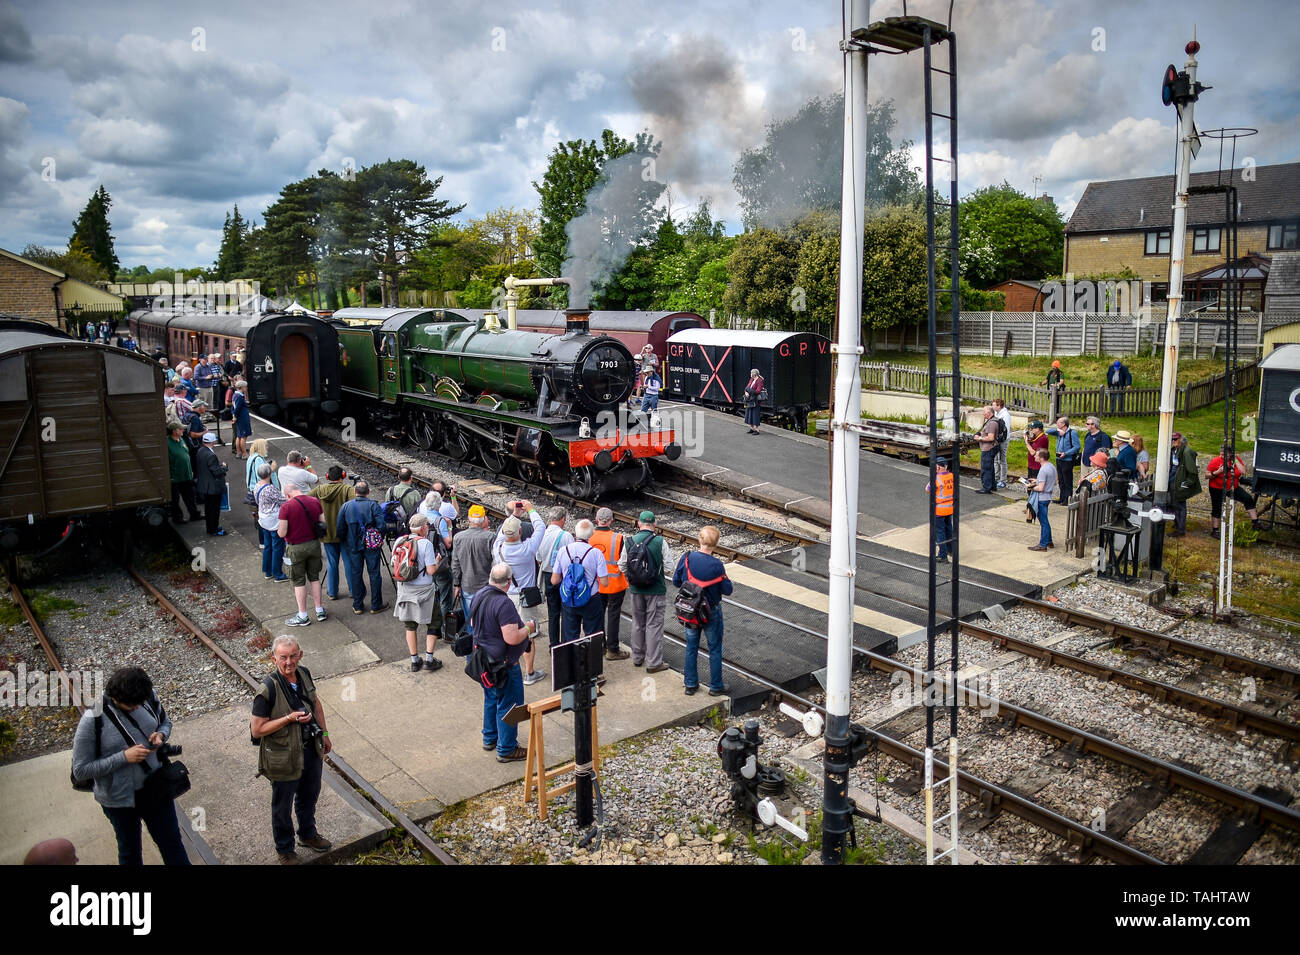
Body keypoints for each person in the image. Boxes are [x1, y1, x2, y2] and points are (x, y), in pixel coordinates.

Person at [71, 667, 190, 866]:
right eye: (130, 705)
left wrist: (161, 734)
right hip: (119, 800)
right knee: (130, 852)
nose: (136, 708)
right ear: (113, 696)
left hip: (155, 788)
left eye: (139, 704)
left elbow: (165, 722)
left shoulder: (147, 696)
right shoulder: (92, 721)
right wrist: (124, 757)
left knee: (172, 844)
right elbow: (81, 770)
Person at [250, 635, 332, 865]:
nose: (289, 662)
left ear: (300, 655)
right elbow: (257, 730)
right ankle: (285, 850)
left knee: (309, 795)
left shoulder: (304, 673)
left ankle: (308, 834)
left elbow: (316, 703)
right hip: (283, 756)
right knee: (282, 805)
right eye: (283, 657)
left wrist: (325, 734)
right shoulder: (267, 689)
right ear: (273, 658)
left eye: (293, 656)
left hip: (310, 749)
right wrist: (288, 718)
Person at [472, 564, 537, 763]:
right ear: (509, 582)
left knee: (491, 698)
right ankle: (507, 748)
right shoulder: (504, 604)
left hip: (483, 660)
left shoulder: (479, 595)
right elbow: (512, 638)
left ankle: (490, 737)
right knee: (510, 705)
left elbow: (474, 624)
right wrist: (528, 628)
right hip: (504, 665)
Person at [672, 526, 733, 697]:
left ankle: (690, 685)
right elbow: (727, 590)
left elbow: (677, 582)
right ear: (716, 544)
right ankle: (715, 686)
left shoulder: (687, 558)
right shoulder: (717, 565)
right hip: (710, 612)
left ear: (700, 540)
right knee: (714, 648)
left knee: (691, 647)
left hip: (690, 611)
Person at [492, 504, 546, 683]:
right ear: (521, 532)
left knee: (506, 632)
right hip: (524, 598)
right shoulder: (527, 549)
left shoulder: (498, 547)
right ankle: (529, 673)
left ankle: (508, 665)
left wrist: (514, 515)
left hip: (505, 595)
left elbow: (503, 531)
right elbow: (540, 527)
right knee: (527, 634)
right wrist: (530, 509)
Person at [393, 512, 444, 672]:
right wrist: (436, 562)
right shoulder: (426, 544)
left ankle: (415, 661)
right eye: (427, 526)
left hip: (405, 588)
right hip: (424, 591)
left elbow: (395, 563)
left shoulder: (399, 541)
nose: (428, 528)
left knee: (410, 625)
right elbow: (430, 571)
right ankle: (429, 659)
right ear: (423, 528)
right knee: (434, 622)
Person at [551, 519, 608, 643]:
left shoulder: (563, 551)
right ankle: (591, 660)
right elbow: (604, 582)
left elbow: (554, 580)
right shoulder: (596, 553)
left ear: (575, 533)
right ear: (591, 534)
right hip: (591, 599)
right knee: (593, 637)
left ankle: (571, 660)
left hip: (569, 599)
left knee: (570, 636)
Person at [279, 484, 327, 627]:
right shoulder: (314, 501)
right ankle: (319, 610)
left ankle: (303, 615)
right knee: (314, 577)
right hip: (314, 545)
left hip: (296, 548)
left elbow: (282, 533)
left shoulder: (286, 508)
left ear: (288, 495)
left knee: (298, 581)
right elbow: (322, 522)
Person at [338, 480, 386, 614]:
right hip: (371, 545)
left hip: (353, 545)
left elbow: (340, 528)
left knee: (356, 573)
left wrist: (345, 541)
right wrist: (379, 538)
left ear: (355, 492)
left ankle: (358, 605)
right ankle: (376, 604)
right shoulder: (373, 506)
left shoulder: (346, 506)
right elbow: (382, 526)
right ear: (368, 492)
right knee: (375, 573)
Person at [308, 466, 355, 602]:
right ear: (343, 476)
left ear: (328, 477)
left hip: (327, 534)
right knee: (348, 563)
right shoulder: (346, 489)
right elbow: (355, 502)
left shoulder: (320, 490)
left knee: (332, 563)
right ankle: (353, 590)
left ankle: (332, 592)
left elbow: (306, 498)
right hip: (344, 534)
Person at [589, 507, 631, 661]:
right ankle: (613, 649)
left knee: (598, 615)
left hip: (596, 584)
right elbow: (623, 561)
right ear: (612, 520)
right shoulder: (618, 538)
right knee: (613, 616)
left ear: (596, 519)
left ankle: (600, 646)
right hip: (615, 584)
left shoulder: (589, 537)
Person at [452, 505, 495, 634]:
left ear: (469, 519)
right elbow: (495, 562)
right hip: (486, 587)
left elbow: (455, 564)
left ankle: (472, 653)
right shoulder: (490, 537)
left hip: (467, 586)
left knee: (470, 622)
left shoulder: (458, 538)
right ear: (483, 520)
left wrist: (457, 584)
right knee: (487, 622)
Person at [537, 506, 573, 647]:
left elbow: (538, 558)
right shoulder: (566, 536)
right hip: (563, 577)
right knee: (566, 611)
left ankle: (553, 644)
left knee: (553, 613)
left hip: (547, 576)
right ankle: (565, 643)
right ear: (563, 519)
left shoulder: (541, 535)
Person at [1207, 444, 1261, 537]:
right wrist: (1218, 471)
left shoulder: (1235, 460)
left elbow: (1243, 472)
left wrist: (1235, 460)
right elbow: (1207, 475)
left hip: (1232, 487)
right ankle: (1215, 530)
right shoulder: (1215, 461)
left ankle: (1255, 522)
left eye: (1225, 455)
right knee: (1217, 508)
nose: (1223, 456)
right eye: (1221, 454)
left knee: (1247, 498)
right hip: (1217, 487)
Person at [420, 491, 456, 619]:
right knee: (445, 595)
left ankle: (433, 623)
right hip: (439, 562)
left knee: (431, 592)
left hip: (424, 560)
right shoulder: (440, 520)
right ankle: (445, 628)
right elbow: (448, 543)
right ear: (439, 505)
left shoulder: (421, 516)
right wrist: (450, 527)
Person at [254, 464, 289, 581]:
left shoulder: (257, 486)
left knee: (268, 546)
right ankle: (278, 573)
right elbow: (282, 501)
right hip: (273, 521)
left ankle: (268, 571)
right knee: (278, 546)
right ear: (269, 474)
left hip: (263, 519)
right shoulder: (270, 489)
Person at [194, 432, 228, 537]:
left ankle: (210, 528)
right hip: (213, 487)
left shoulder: (200, 451)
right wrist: (224, 467)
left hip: (204, 485)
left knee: (208, 508)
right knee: (214, 509)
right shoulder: (211, 455)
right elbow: (216, 471)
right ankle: (214, 529)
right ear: (213, 442)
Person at [1169, 431, 1199, 537]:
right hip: (1173, 478)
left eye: (1175, 439)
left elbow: (1193, 471)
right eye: (1171, 439)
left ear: (1181, 440)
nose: (1173, 441)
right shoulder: (1173, 450)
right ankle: (1177, 524)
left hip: (1180, 481)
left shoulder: (1187, 452)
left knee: (1180, 505)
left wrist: (1186, 484)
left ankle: (1180, 530)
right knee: (1173, 503)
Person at [1044, 416, 1081, 505]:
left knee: (1067, 480)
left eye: (1059, 422)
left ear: (1064, 424)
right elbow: (1047, 431)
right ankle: (1061, 497)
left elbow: (1077, 446)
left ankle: (1067, 499)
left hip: (1067, 459)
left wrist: (1066, 453)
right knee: (1061, 479)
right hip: (1059, 459)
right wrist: (1058, 431)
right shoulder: (1059, 432)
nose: (1057, 423)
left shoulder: (1072, 433)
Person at [1026, 449, 1057, 552]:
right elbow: (1054, 481)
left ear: (1041, 458)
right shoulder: (1051, 466)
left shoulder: (1043, 470)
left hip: (1042, 498)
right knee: (1045, 521)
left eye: (1037, 455)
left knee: (1043, 522)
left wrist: (1030, 487)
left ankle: (1043, 545)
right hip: (1047, 497)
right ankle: (1049, 541)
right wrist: (1037, 481)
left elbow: (1040, 488)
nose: (1035, 456)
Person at [168, 423, 199, 523]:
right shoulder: (167, 443)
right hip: (175, 477)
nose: (183, 430)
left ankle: (194, 514)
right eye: (181, 429)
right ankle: (177, 518)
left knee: (190, 496)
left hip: (186, 475)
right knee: (175, 500)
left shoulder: (181, 439)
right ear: (174, 431)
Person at [927, 458, 955, 562]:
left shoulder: (936, 479)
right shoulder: (952, 476)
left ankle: (942, 555)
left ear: (938, 467)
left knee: (940, 532)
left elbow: (927, 489)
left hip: (939, 510)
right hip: (950, 508)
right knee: (949, 529)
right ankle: (951, 550)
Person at [975, 405, 999, 494]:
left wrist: (979, 438)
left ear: (989, 413)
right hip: (989, 448)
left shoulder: (992, 423)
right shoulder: (991, 421)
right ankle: (992, 485)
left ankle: (986, 488)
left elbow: (991, 437)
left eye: (984, 413)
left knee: (986, 468)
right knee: (990, 468)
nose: (983, 414)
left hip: (988, 448)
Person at [992, 398, 1012, 489]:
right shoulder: (996, 413)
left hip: (1003, 440)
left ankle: (1003, 480)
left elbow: (1005, 430)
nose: (992, 406)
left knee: (1002, 460)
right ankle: (996, 478)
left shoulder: (1005, 415)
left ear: (999, 406)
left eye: (994, 405)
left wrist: (1000, 440)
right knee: (996, 459)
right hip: (996, 439)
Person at [231, 379, 252, 459]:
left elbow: (233, 408)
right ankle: (244, 454)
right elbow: (237, 409)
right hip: (242, 418)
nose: (246, 388)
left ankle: (239, 452)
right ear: (241, 387)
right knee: (243, 436)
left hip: (238, 418)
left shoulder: (235, 395)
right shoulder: (240, 397)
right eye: (245, 387)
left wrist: (234, 416)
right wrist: (235, 416)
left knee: (239, 436)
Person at [742, 368, 764, 434]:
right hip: (749, 399)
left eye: (751, 373)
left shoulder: (759, 381)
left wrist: (749, 391)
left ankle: (757, 430)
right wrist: (746, 392)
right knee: (749, 414)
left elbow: (758, 391)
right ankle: (752, 428)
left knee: (755, 415)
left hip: (755, 400)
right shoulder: (751, 379)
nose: (750, 374)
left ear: (754, 374)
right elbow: (747, 387)